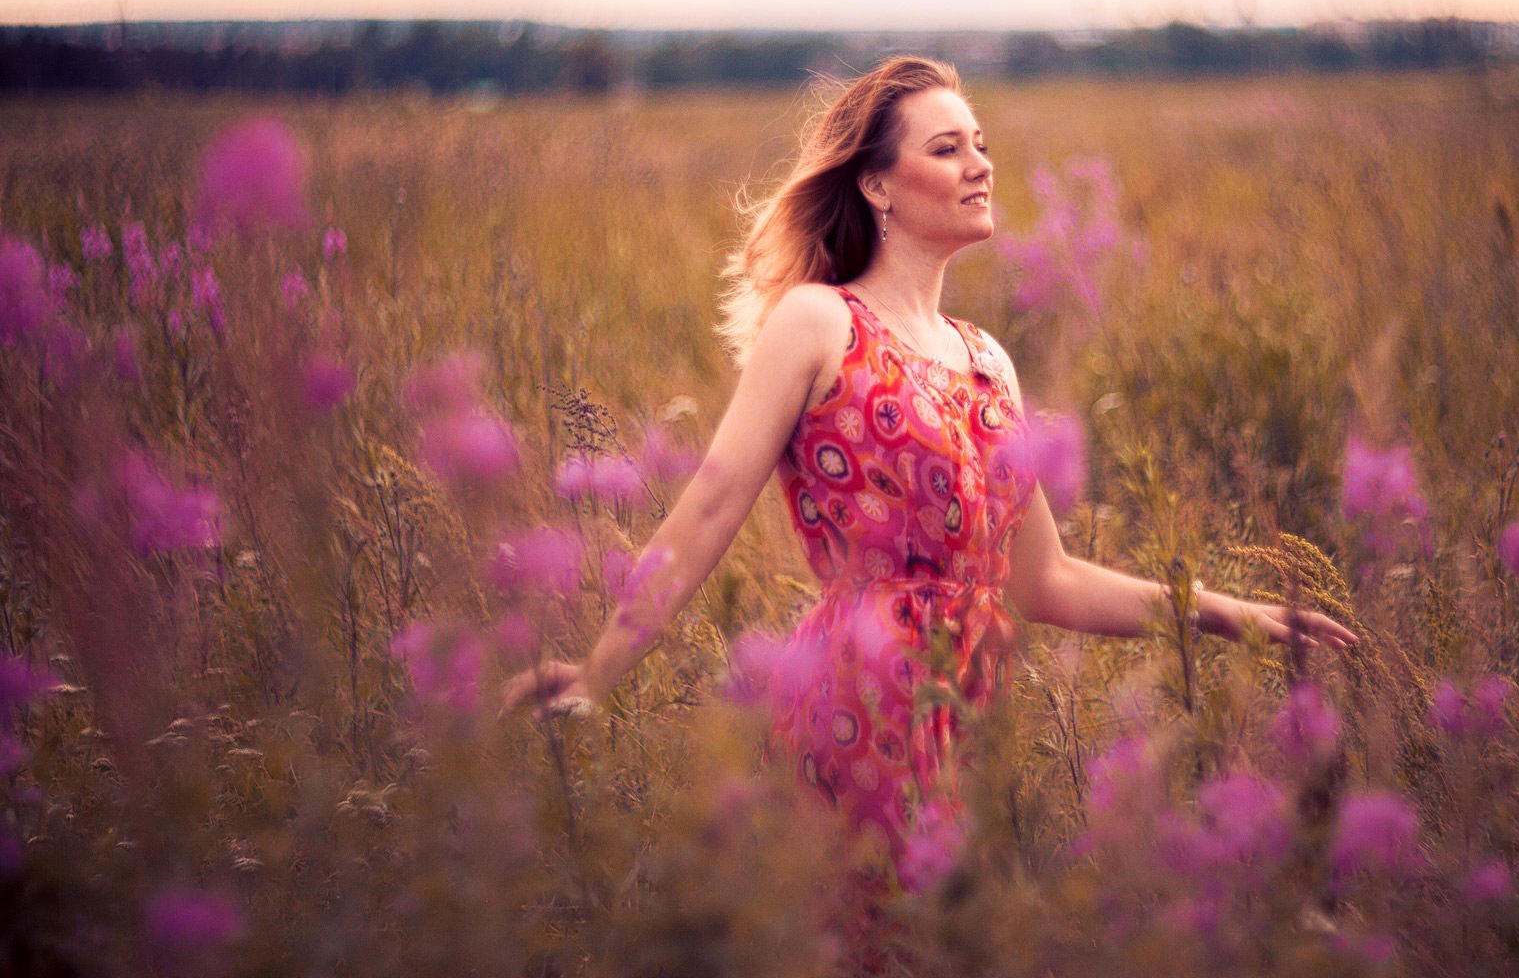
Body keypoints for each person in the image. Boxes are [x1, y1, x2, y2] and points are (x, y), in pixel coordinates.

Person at [502, 55, 1357, 879]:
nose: (979, 165)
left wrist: (1230, 613)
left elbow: (1045, 579)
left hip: (969, 716)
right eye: (946, 149)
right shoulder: (819, 322)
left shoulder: (988, 361)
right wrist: (599, 672)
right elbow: (713, 505)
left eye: (980, 143)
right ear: (877, 185)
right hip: (858, 701)